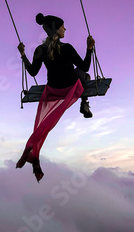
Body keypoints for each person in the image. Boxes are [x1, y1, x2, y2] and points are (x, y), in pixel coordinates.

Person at [15, 13, 95, 182]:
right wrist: (89, 48)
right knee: (84, 76)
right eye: (62, 26)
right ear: (56, 29)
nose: (65, 28)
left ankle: (84, 104)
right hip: (69, 89)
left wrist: (23, 54)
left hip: (53, 89)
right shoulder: (67, 48)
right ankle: (84, 103)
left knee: (78, 74)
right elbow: (86, 66)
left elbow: (32, 72)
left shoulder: (39, 50)